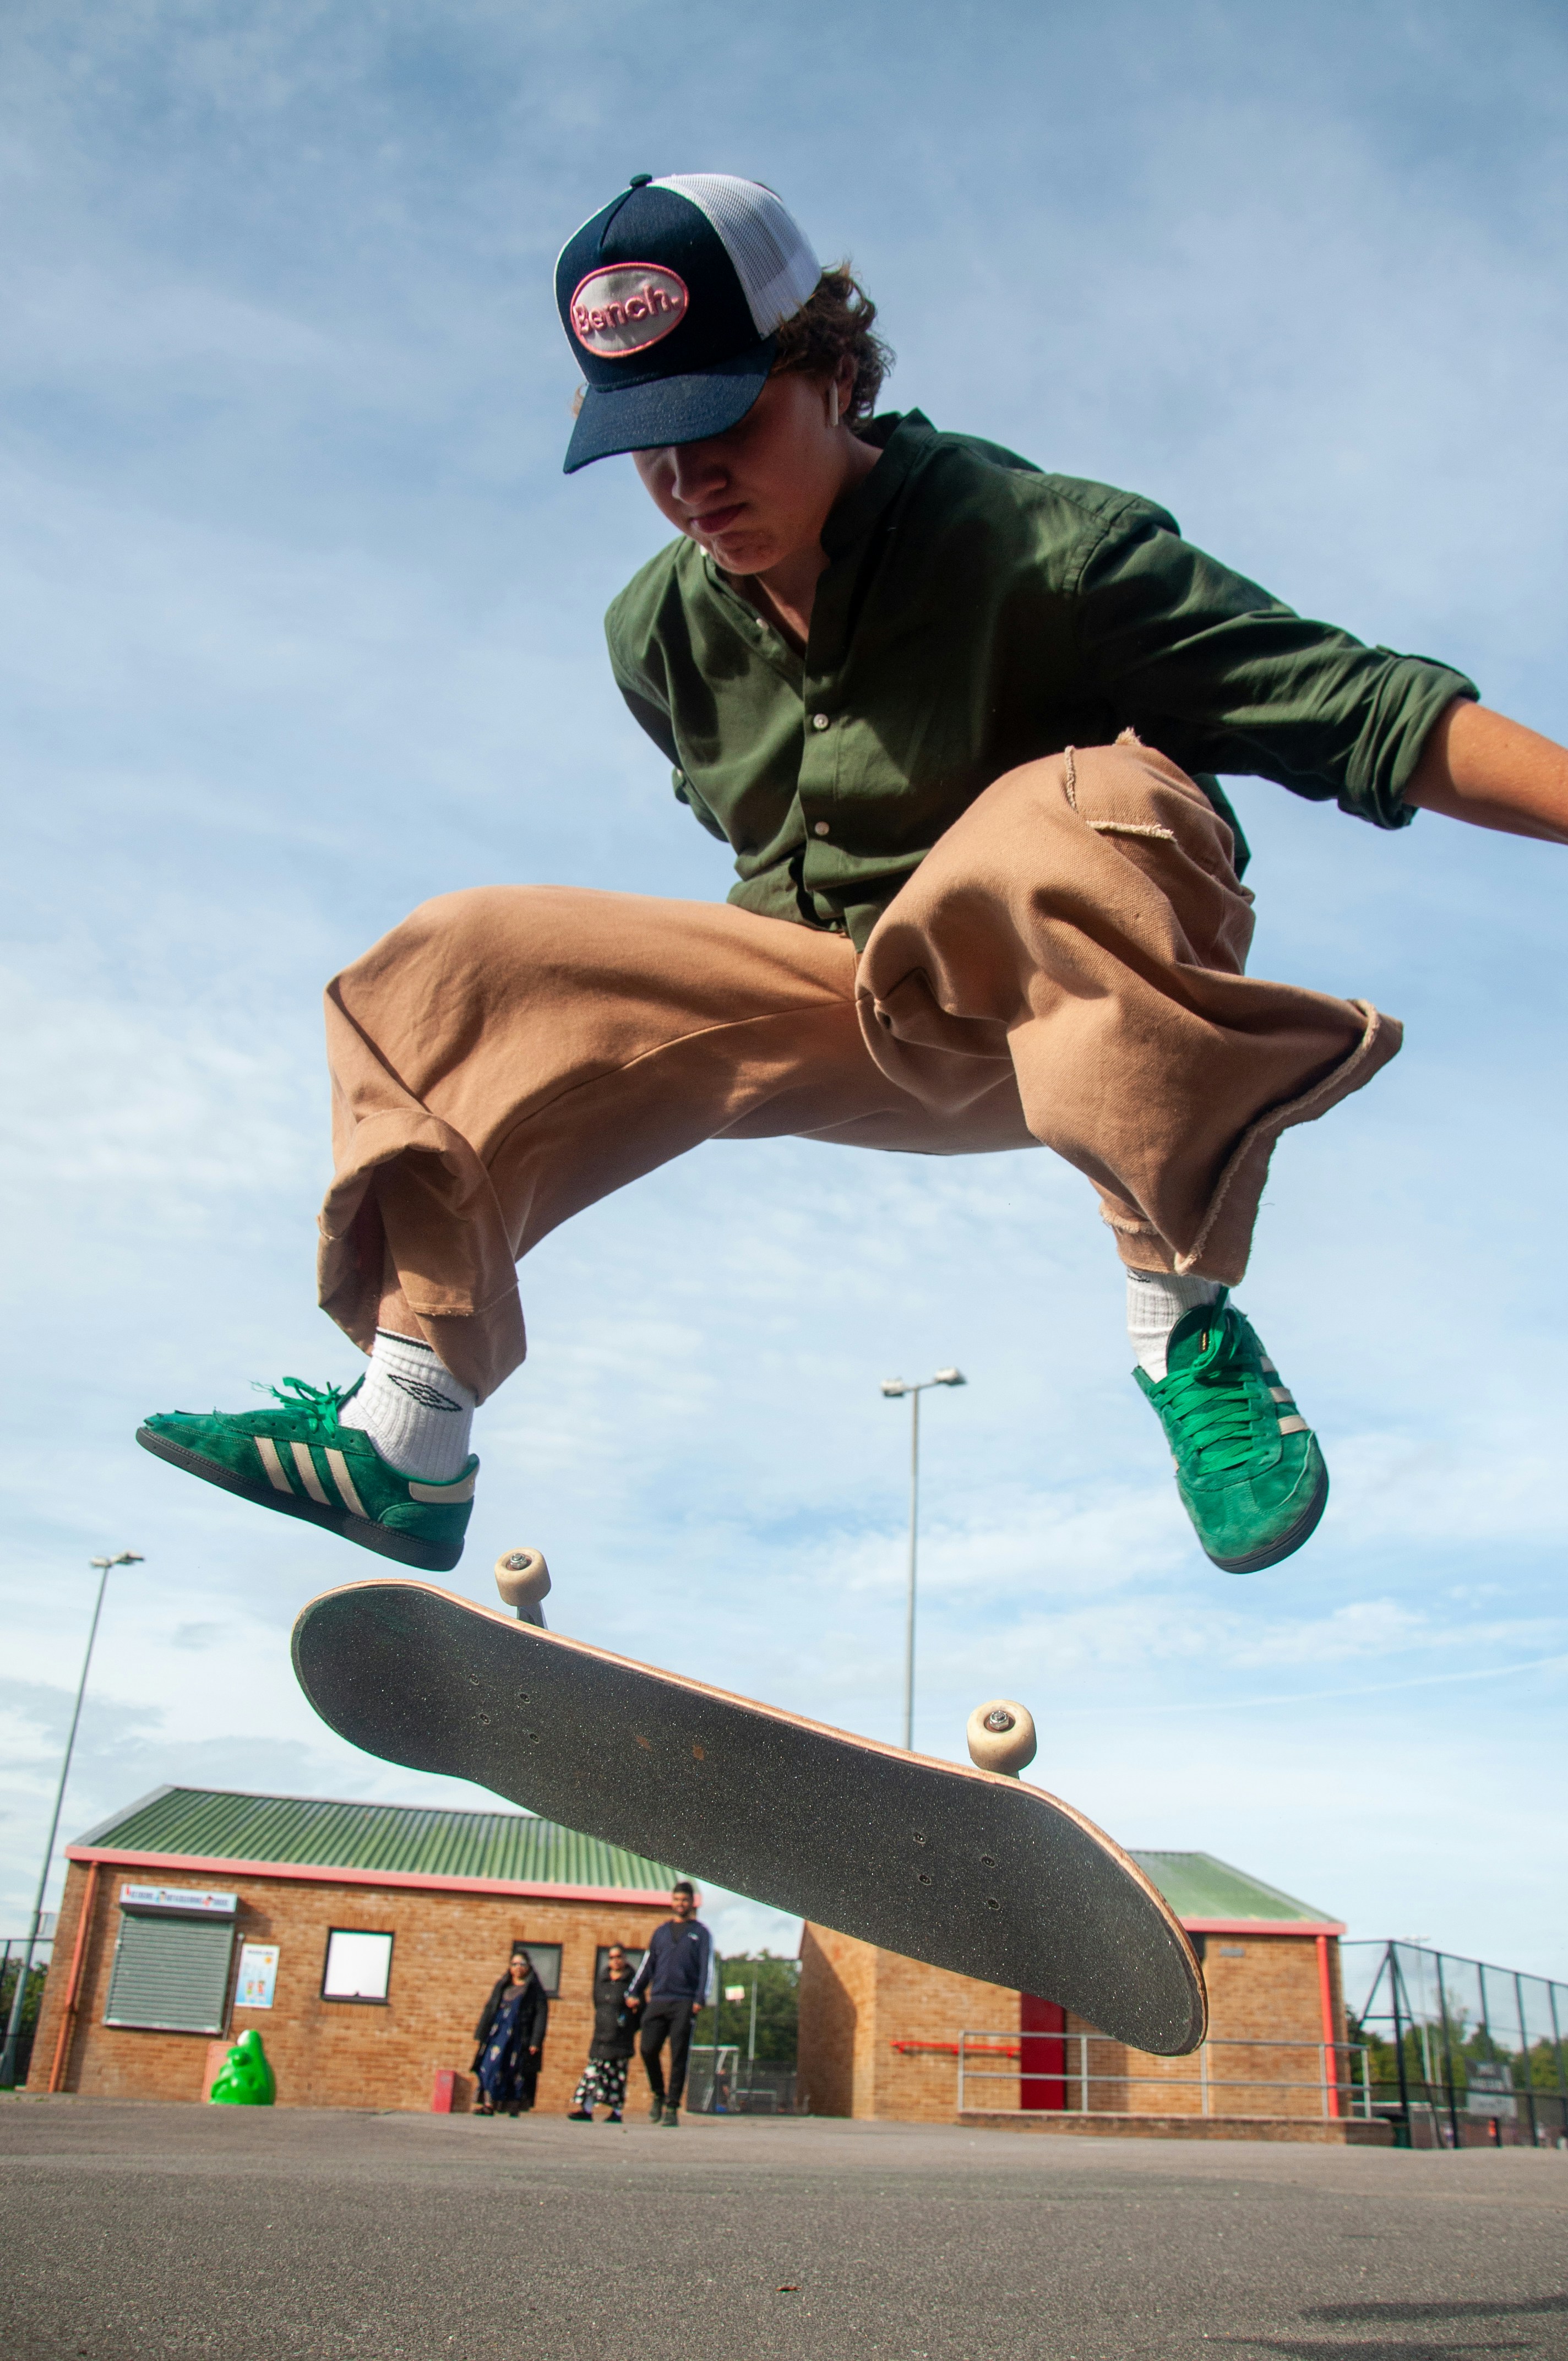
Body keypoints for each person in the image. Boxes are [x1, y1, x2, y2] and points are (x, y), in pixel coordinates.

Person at [135, 172, 1568, 1582]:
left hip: (1078, 1000)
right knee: (452, 956)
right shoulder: (658, 639)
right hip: (842, 1015)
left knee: (1076, 806)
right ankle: (410, 1433)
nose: (693, 484)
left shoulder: (1044, 545)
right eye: (650, 449)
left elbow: (1372, 712)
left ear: (829, 367)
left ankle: (1184, 1325)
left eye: (723, 423)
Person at [628, 1881, 713, 2126]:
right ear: (672, 1901)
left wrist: (700, 1998)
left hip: (684, 2002)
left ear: (692, 1903)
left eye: (685, 1900)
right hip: (659, 2000)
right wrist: (635, 1990)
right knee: (647, 2048)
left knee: (678, 2055)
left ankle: (672, 2108)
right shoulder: (661, 1932)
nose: (680, 1904)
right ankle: (658, 2094)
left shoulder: (701, 1933)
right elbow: (647, 1965)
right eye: (677, 1900)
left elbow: (707, 1968)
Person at [567, 1940, 640, 2123]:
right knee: (593, 2074)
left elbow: (641, 2011)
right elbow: (597, 2004)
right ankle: (587, 2109)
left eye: (619, 1957)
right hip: (601, 2037)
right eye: (612, 1958)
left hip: (621, 2039)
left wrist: (629, 2022)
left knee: (617, 2076)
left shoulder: (633, 1983)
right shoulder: (602, 1980)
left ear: (625, 1959)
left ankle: (616, 2113)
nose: (616, 1961)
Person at [471, 1946, 548, 2118]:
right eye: (514, 1964)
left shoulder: (535, 1990)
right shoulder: (502, 1985)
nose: (518, 1967)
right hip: (498, 2034)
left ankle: (513, 2105)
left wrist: (536, 2041)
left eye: (522, 1964)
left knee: (514, 2071)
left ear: (528, 1967)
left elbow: (541, 2016)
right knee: (489, 2067)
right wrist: (481, 2033)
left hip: (519, 2037)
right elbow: (490, 2008)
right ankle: (488, 2104)